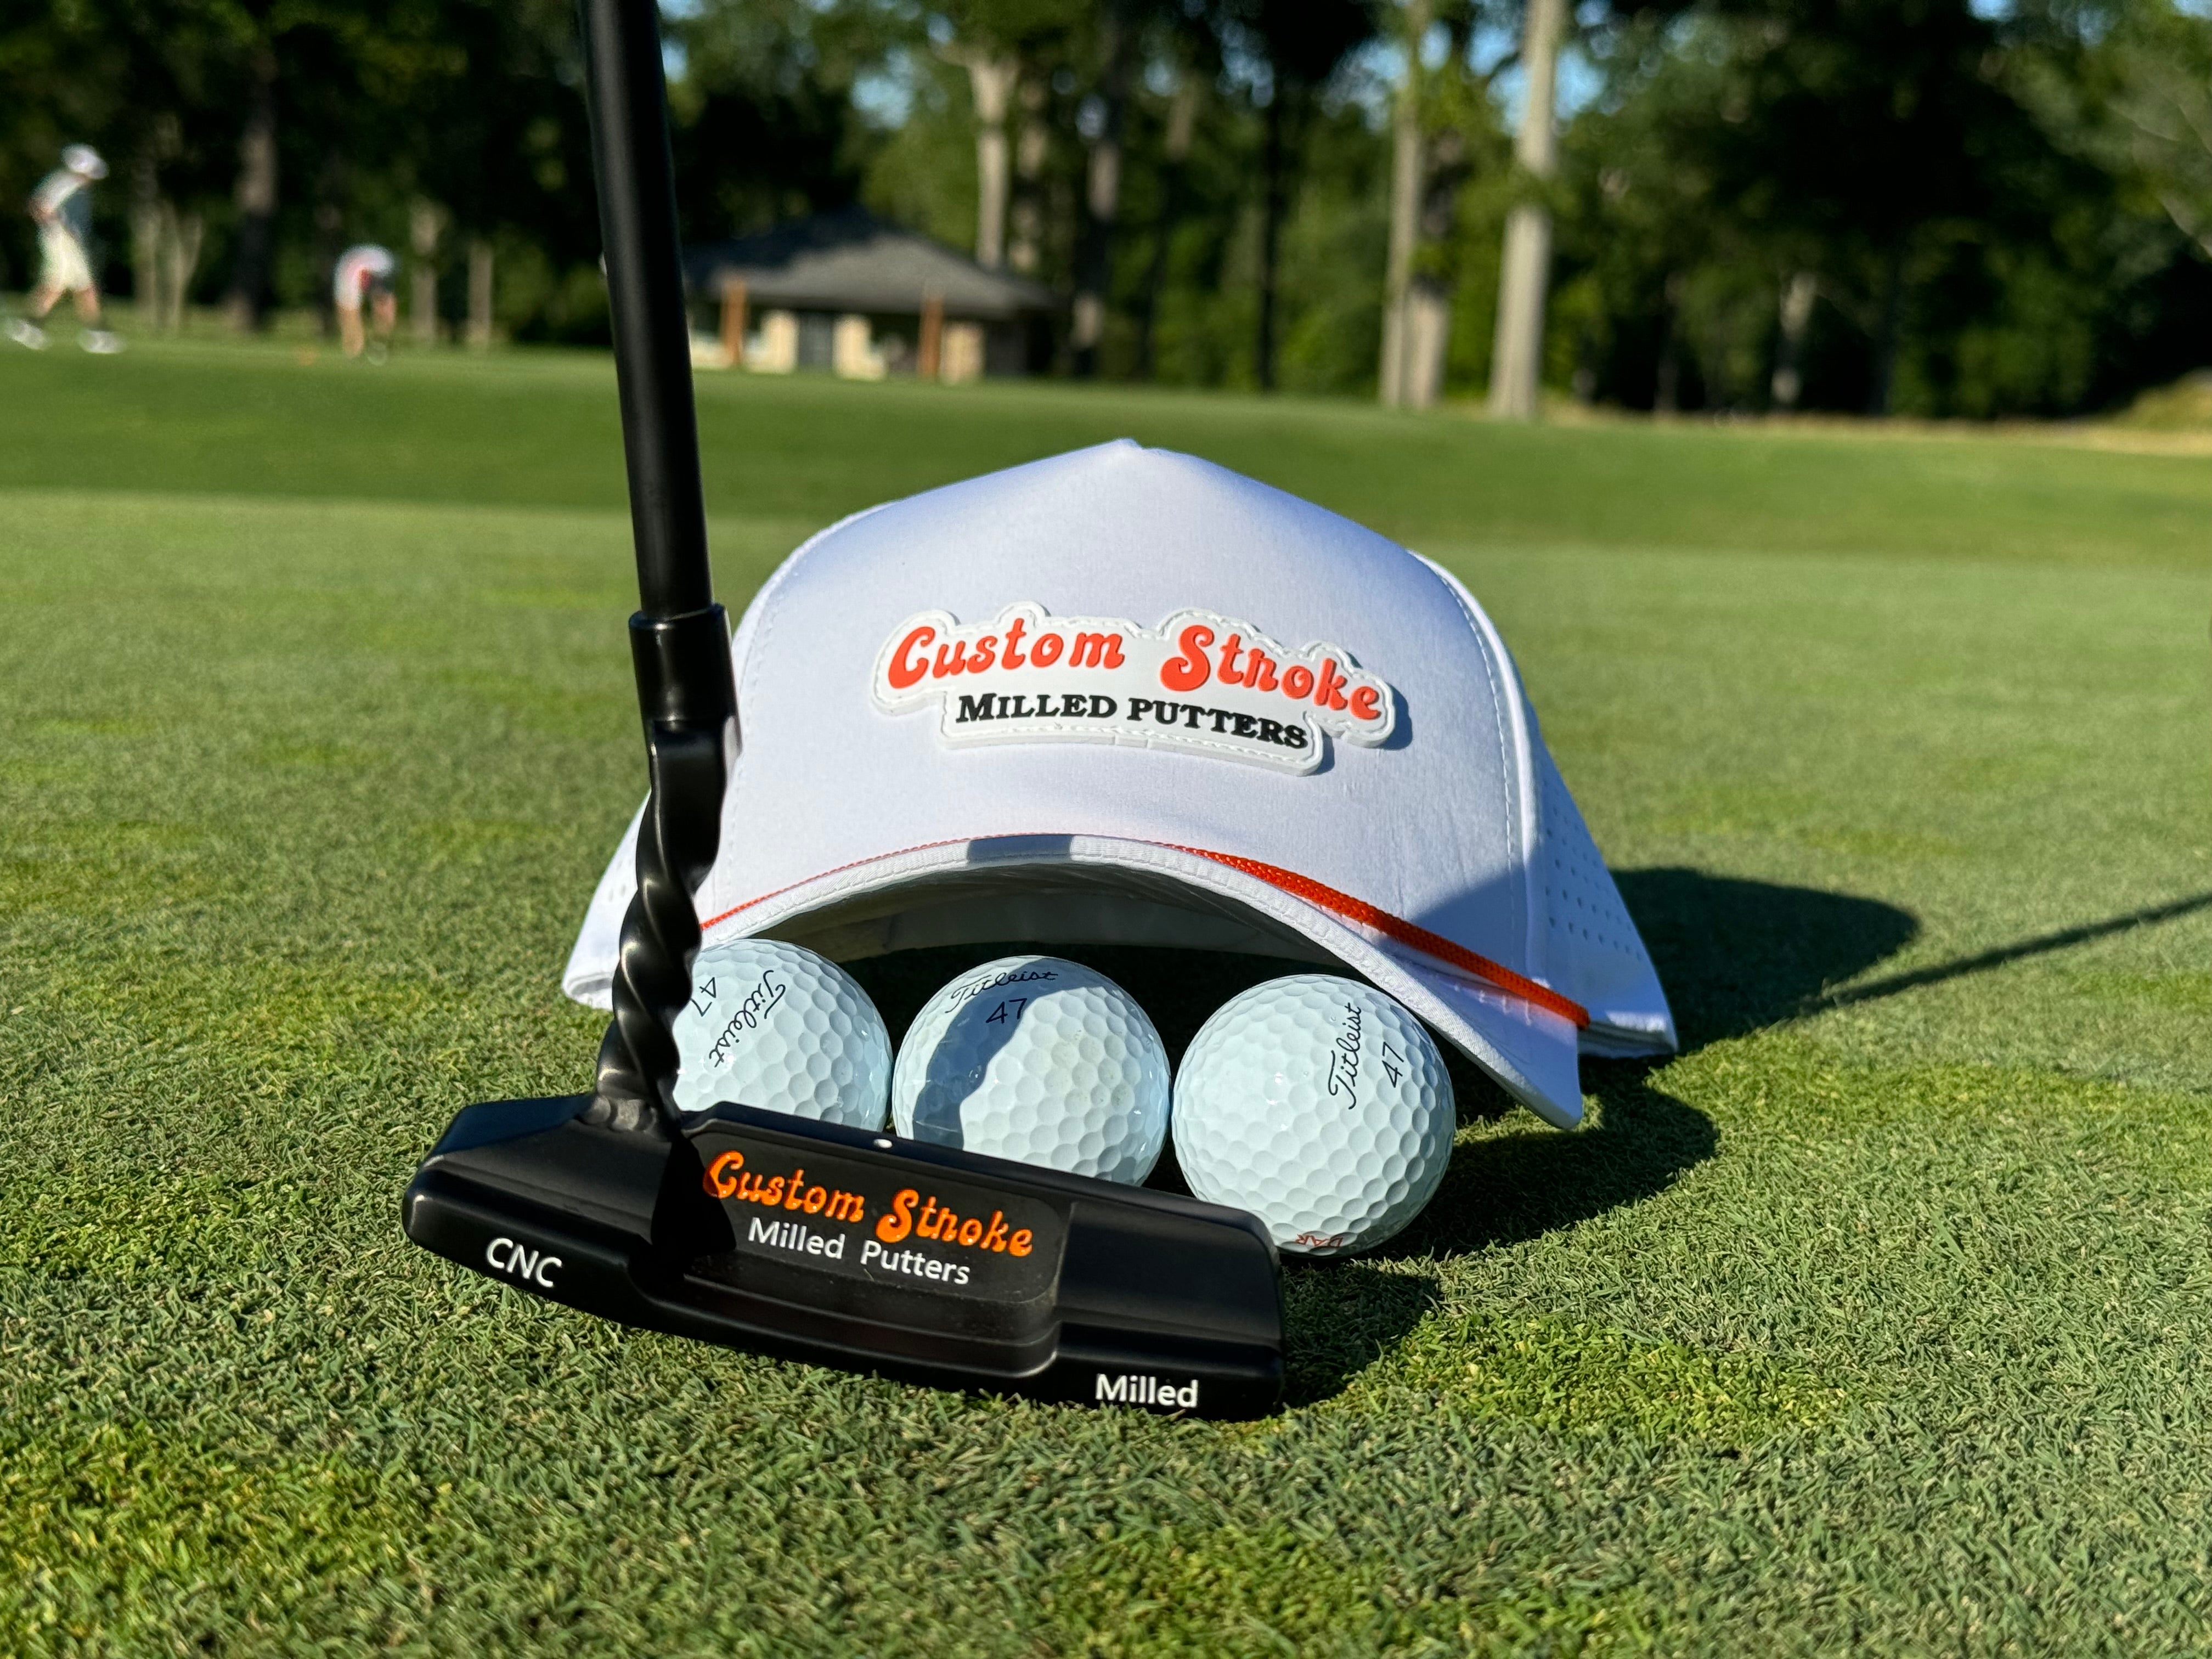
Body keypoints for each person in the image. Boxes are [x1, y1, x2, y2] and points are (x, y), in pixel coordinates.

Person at [8, 145, 122, 354]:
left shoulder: (63, 182)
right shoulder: (69, 185)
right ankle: (96, 334)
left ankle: (29, 326)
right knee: (84, 286)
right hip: (64, 242)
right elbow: (41, 206)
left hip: (61, 241)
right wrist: (59, 227)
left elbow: (38, 205)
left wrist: (52, 226)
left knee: (57, 285)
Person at [334, 244, 398, 360]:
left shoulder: (378, 265)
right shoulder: (349, 273)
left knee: (380, 305)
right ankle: (361, 346)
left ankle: (373, 344)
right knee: (351, 313)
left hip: (373, 266)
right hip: (361, 267)